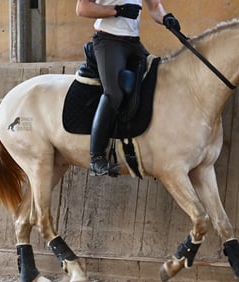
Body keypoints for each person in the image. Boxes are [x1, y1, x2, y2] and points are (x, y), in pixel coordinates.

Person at [76, 0, 181, 176]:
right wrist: (117, 10)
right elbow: (82, 8)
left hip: (133, 42)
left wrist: (166, 18)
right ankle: (96, 157)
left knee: (157, 80)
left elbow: (155, 7)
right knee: (114, 93)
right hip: (108, 40)